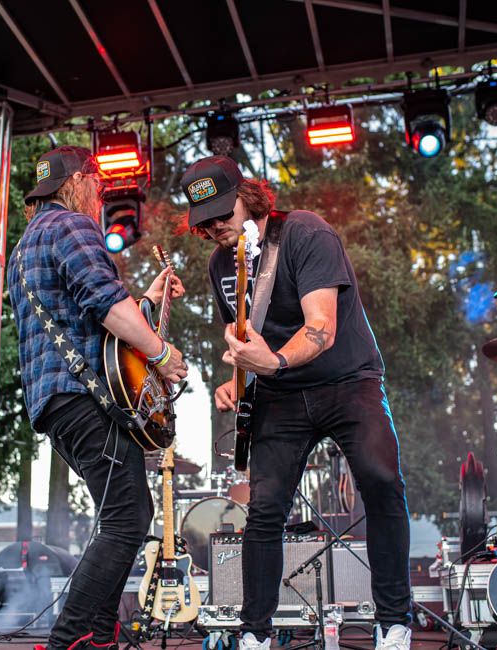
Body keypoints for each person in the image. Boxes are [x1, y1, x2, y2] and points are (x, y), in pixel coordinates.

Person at [180, 156, 412, 650]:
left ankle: (394, 622)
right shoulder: (221, 263)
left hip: (347, 380)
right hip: (278, 395)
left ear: (250, 196)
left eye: (224, 210)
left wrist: (276, 364)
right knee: (263, 510)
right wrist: (236, 384)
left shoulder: (306, 232)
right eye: (206, 219)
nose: (217, 224)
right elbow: (247, 339)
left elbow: (320, 327)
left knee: (381, 479)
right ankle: (254, 634)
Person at [8, 145, 188, 650]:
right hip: (84, 397)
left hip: (56, 402)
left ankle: (96, 637)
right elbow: (108, 306)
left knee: (123, 512)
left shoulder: (24, 246)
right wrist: (162, 353)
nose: (102, 194)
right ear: (79, 183)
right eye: (99, 183)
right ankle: (72, 637)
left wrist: (148, 300)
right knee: (128, 515)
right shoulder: (71, 226)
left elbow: (86, 319)